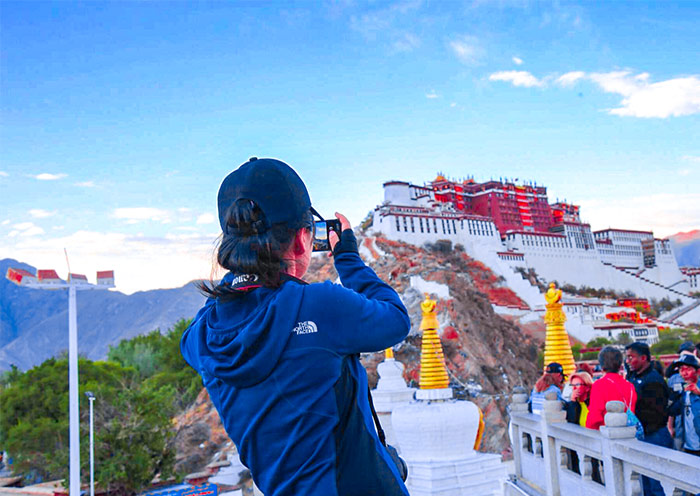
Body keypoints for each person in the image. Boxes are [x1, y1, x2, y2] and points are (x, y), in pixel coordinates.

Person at [180, 157, 411, 496]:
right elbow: (396, 320)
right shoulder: (320, 306)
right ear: (303, 240)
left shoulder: (200, 337)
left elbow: (226, 306)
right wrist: (348, 260)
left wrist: (242, 275)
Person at [625, 342, 672, 496]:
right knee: (644, 482)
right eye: (627, 358)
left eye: (631, 358)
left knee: (656, 483)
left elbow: (657, 413)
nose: (628, 361)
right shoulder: (632, 376)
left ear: (643, 358)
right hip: (640, 435)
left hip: (654, 435)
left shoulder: (653, 380)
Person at [586, 346, 637, 430]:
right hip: (628, 431)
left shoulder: (599, 385)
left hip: (607, 432)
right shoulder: (629, 385)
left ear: (602, 366)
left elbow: (595, 418)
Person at [668, 354, 700, 457]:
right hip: (688, 445)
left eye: (688, 369)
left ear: (698, 371)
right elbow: (672, 411)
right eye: (681, 370)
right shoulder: (683, 391)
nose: (684, 373)